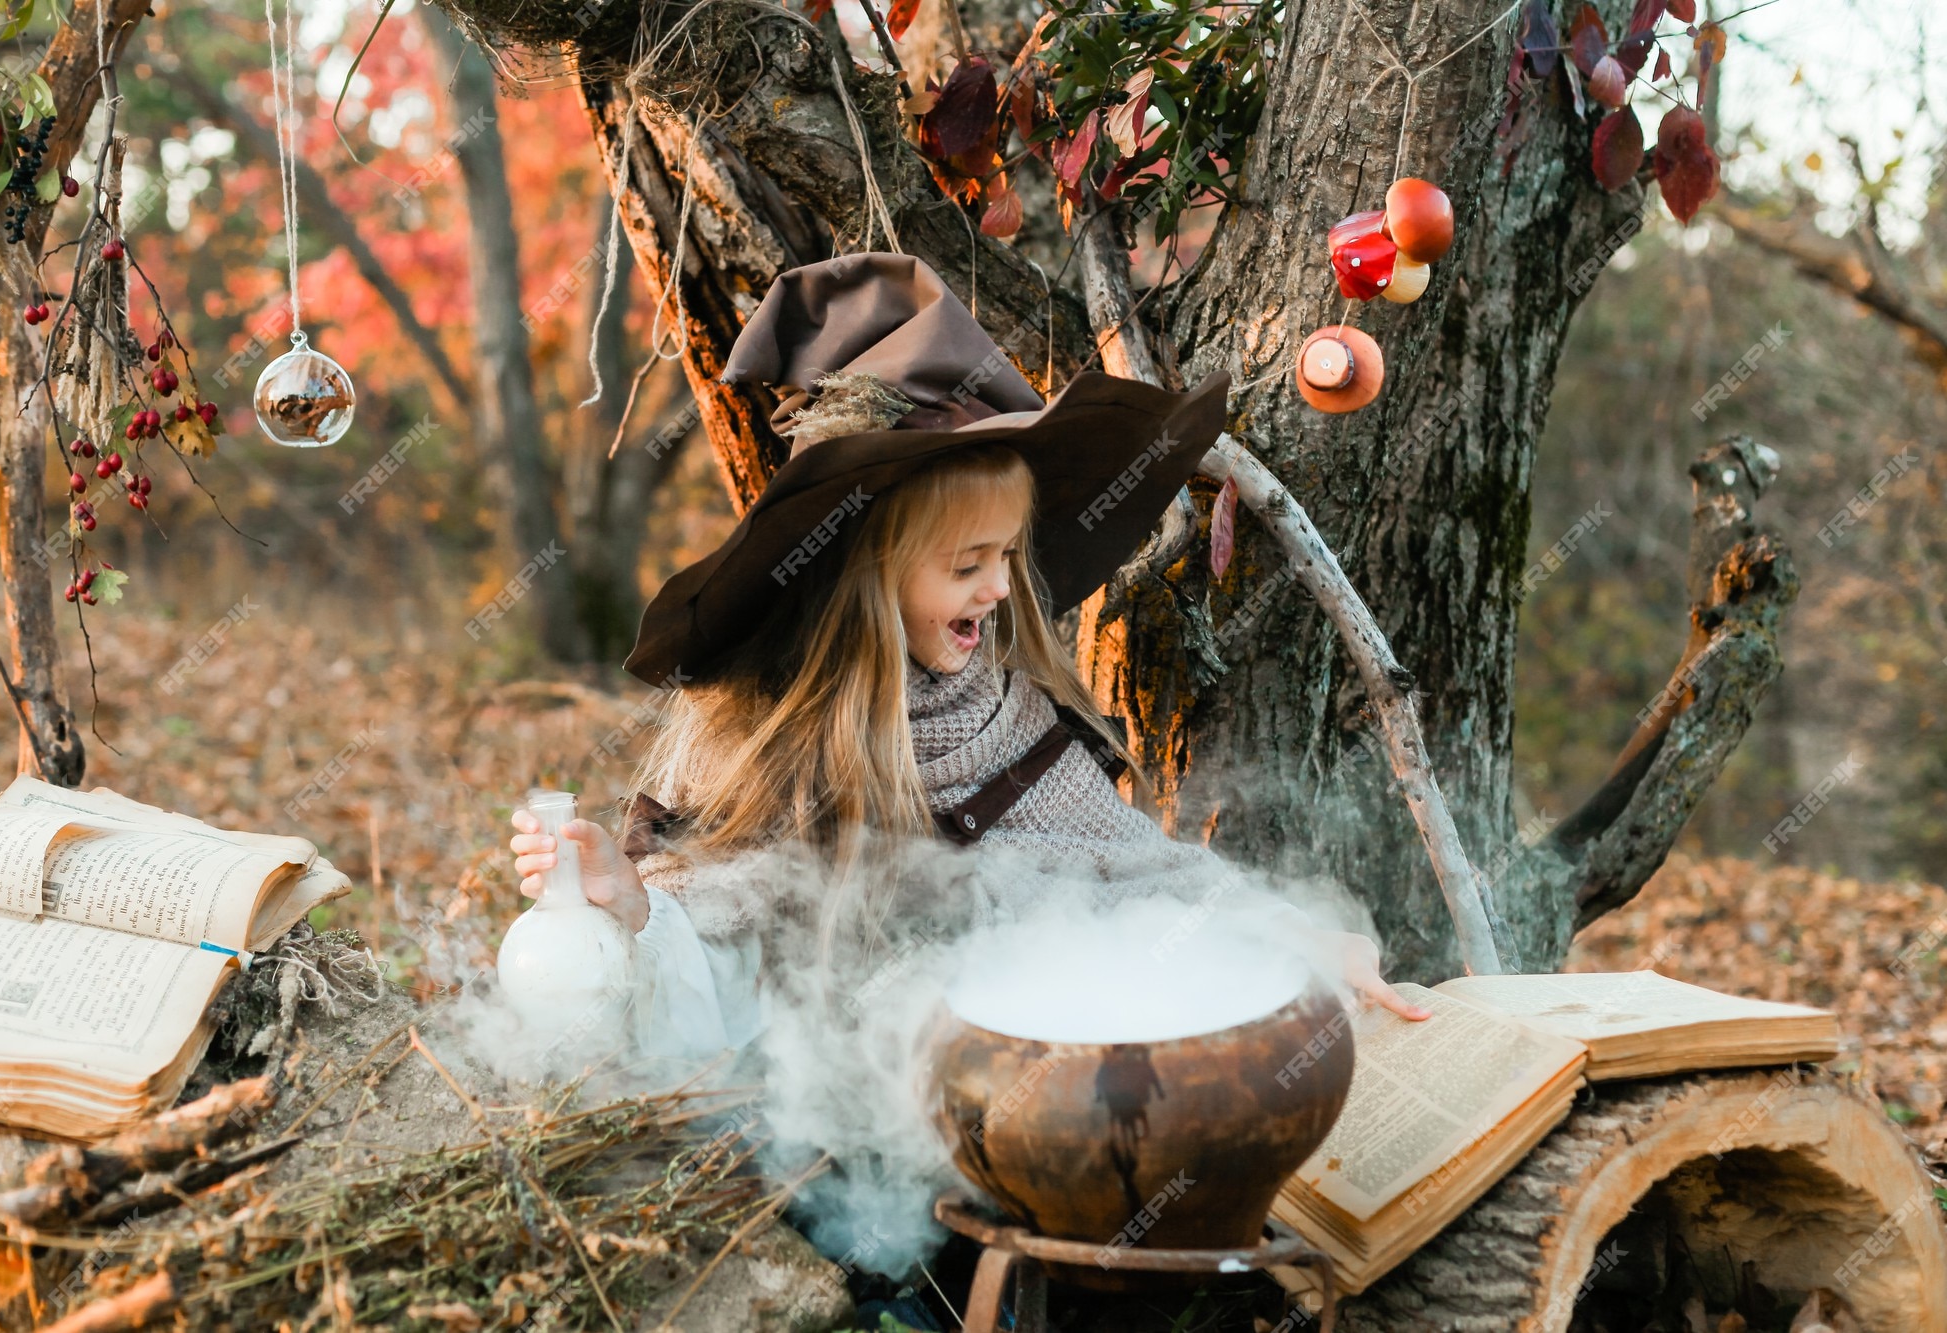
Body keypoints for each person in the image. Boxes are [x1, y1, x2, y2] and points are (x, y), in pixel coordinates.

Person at [508, 253, 1430, 1060]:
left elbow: (1147, 875)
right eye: (964, 565)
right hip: (839, 1150)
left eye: (1006, 558)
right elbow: (718, 932)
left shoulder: (1004, 715)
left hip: (1026, 1111)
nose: (998, 590)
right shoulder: (759, 726)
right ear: (868, 571)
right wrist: (635, 915)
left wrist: (1302, 938)